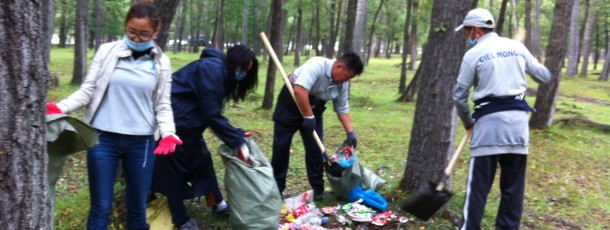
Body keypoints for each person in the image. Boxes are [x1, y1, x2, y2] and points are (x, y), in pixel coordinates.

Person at [46, 1, 181, 229]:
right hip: (102, 139)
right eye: (132, 32)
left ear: (156, 32)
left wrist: (168, 133)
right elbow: (88, 89)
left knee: (137, 207)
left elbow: (163, 105)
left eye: (144, 34)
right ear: (126, 26)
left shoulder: (162, 63)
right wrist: (62, 107)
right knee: (100, 206)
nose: (136, 38)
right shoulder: (107, 51)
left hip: (141, 143)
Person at [453, 8, 551, 230]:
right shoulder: (517, 47)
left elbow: (459, 95)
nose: (467, 38)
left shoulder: (473, 55)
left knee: (477, 192)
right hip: (517, 130)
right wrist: (540, 61)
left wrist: (468, 121)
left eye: (467, 33)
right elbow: (543, 76)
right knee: (513, 192)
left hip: (488, 130)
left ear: (476, 30)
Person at [151, 45, 259, 230]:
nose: (242, 74)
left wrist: (236, 133)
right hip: (172, 123)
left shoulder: (220, 71)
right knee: (171, 170)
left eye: (246, 72)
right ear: (233, 63)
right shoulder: (212, 69)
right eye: (241, 69)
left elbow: (210, 109)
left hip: (189, 124)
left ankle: (217, 204)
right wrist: (237, 142)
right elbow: (211, 112)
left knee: (203, 161)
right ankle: (181, 218)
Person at [271, 52, 364, 201]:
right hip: (291, 103)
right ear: (339, 66)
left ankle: (317, 189)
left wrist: (350, 132)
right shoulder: (317, 65)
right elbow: (299, 90)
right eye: (346, 77)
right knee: (281, 148)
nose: (345, 81)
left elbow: (342, 107)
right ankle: (276, 188)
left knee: (316, 149)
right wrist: (308, 116)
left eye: (349, 79)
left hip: (315, 108)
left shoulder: (343, 83)